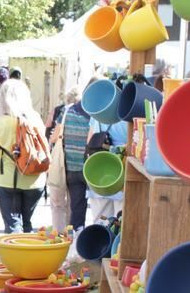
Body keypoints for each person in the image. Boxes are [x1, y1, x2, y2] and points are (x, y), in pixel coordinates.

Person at [0, 79, 46, 234]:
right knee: (26, 223)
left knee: (12, 225)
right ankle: (29, 253)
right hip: (34, 178)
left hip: (6, 180)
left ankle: (16, 256)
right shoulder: (35, 119)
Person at [51, 90, 91, 230]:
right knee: (100, 208)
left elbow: (54, 137)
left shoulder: (67, 111)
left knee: (76, 206)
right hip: (91, 166)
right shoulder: (97, 115)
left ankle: (75, 236)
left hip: (71, 166)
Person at [44, 89, 81, 230]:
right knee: (74, 204)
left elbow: (55, 137)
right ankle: (70, 234)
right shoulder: (87, 114)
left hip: (62, 163)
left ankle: (59, 235)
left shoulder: (65, 111)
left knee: (58, 203)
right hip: (79, 165)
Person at [86, 115, 129, 222]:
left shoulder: (96, 112)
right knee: (121, 222)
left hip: (98, 171)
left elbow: (90, 140)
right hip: (121, 171)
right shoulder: (128, 111)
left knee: (100, 221)